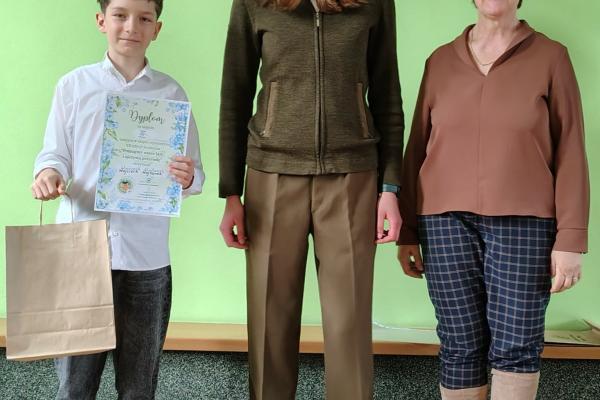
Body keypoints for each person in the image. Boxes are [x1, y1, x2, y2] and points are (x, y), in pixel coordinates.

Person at [397, 0, 589, 399]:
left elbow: (571, 148)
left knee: (517, 346)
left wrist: (571, 238)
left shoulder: (552, 57)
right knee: (458, 344)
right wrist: (408, 231)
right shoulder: (440, 61)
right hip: (443, 221)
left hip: (526, 221)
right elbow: (417, 147)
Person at [218, 0, 404, 398]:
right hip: (271, 174)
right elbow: (235, 93)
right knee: (269, 322)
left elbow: (388, 93)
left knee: (349, 324)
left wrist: (390, 186)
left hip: (352, 176)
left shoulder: (373, 3)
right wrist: (231, 191)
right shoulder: (254, 3)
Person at [31, 0, 204, 398]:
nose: (131, 27)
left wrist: (189, 176)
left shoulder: (172, 94)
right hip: (80, 252)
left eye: (144, 18)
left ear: (157, 29)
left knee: (139, 389)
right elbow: (53, 153)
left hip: (146, 259)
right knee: (74, 388)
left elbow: (194, 172)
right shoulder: (73, 86)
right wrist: (48, 174)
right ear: (101, 20)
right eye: (120, 15)